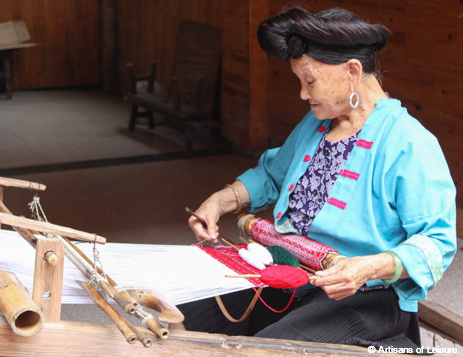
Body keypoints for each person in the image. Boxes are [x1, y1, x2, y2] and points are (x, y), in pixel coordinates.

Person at [174, 5, 457, 349]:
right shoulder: (316, 125)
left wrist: (364, 269)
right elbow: (273, 173)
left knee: (265, 350)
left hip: (365, 297)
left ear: (353, 72)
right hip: (293, 274)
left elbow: (437, 243)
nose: (303, 94)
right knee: (184, 314)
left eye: (310, 81)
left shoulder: (409, 143)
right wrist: (220, 201)